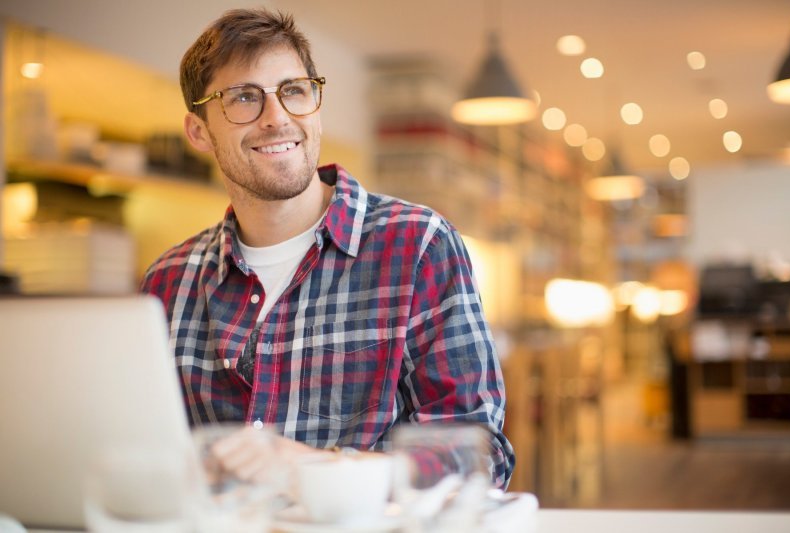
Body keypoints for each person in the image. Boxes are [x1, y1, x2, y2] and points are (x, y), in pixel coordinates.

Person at [140, 7, 515, 489]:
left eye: (293, 91)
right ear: (198, 132)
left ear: (315, 104)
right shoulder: (168, 281)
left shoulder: (419, 245)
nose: (277, 118)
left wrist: (315, 468)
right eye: (243, 98)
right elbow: (143, 452)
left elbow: (478, 456)